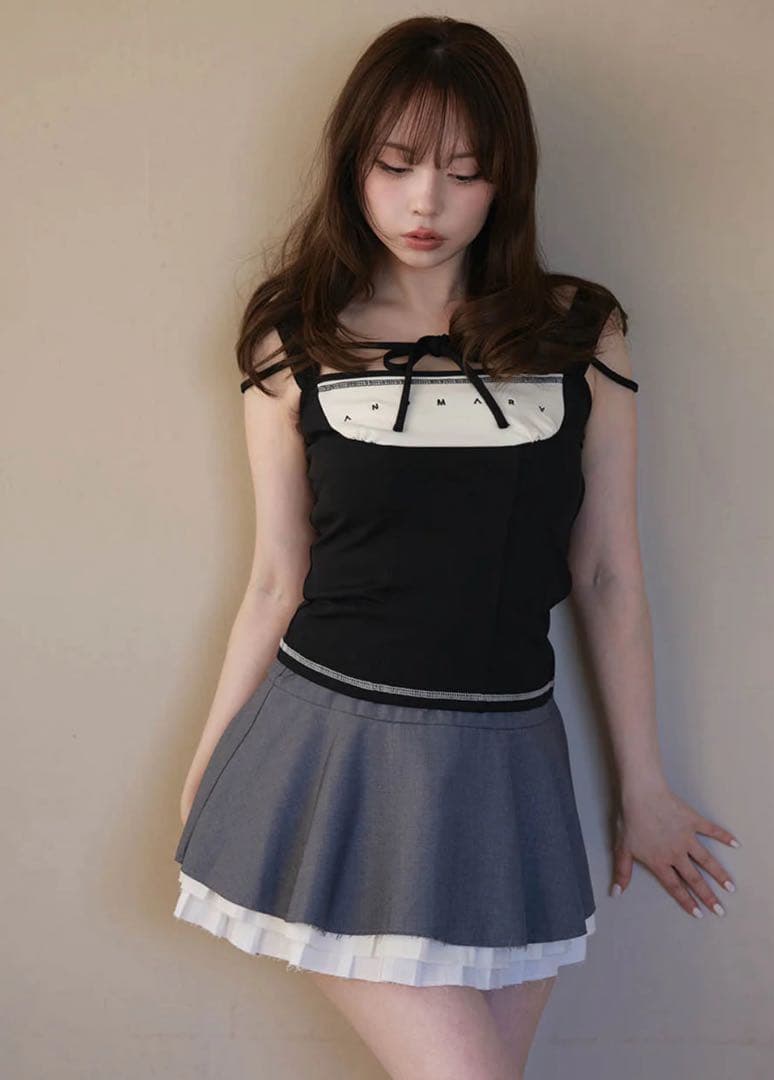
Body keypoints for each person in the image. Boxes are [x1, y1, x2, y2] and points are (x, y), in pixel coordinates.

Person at [172, 15, 739, 1079]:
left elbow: (606, 574)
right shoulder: (295, 333)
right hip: (331, 759)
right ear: (352, 167)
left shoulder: (581, 332)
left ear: (504, 180)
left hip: (509, 766)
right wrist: (211, 766)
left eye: (463, 172)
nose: (424, 203)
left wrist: (644, 785)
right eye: (394, 167)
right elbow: (275, 579)